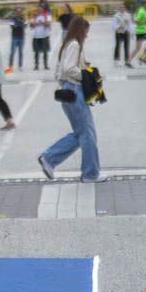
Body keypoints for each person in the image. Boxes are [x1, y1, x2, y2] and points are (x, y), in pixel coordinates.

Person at [39, 16, 104, 182]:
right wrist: (85, 75)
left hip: (68, 91)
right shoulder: (74, 44)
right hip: (75, 91)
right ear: (80, 31)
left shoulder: (67, 45)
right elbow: (69, 69)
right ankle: (90, 173)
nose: (87, 36)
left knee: (80, 133)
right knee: (88, 134)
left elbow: (59, 72)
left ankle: (49, 159)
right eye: (86, 32)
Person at [128, 0, 146, 67]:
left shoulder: (143, 11)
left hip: (141, 31)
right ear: (144, 4)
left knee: (137, 48)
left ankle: (129, 61)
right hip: (141, 32)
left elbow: (145, 23)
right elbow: (136, 21)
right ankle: (143, 58)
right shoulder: (141, 11)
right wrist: (145, 21)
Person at [31, 5, 51, 70]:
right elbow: (31, 25)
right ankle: (36, 65)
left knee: (45, 51)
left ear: (43, 10)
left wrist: (41, 22)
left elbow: (48, 24)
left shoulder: (46, 15)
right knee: (36, 51)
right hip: (36, 36)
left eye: (40, 9)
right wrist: (36, 23)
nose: (39, 10)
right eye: (38, 9)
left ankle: (46, 65)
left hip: (44, 35)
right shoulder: (34, 16)